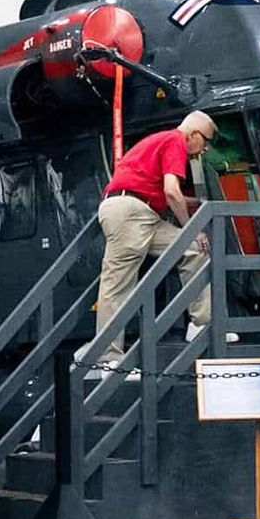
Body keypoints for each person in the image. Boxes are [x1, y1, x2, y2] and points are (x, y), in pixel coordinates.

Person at [90, 111, 219, 375]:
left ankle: (200, 323)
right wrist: (191, 227)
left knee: (194, 250)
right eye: (204, 142)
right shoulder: (176, 140)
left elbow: (158, 190)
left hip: (140, 212)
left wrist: (192, 207)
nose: (203, 150)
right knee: (118, 284)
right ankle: (107, 358)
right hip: (131, 213)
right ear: (193, 134)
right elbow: (172, 191)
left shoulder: (158, 141)